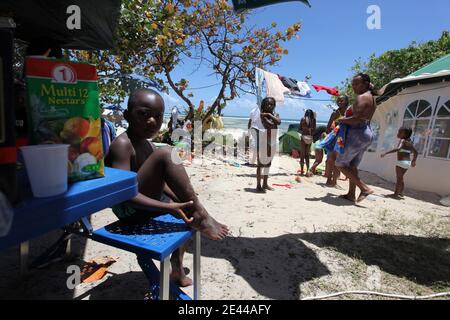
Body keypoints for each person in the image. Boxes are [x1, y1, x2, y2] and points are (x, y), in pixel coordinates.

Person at [105, 88, 229, 287]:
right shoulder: (122, 144)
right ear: (128, 115)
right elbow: (123, 194)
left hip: (146, 202)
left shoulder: (148, 145)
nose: (152, 121)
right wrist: (168, 207)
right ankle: (201, 215)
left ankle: (177, 268)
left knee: (189, 214)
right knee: (167, 153)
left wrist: (185, 203)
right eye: (144, 114)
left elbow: (160, 184)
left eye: (157, 116)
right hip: (129, 210)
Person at [335, 73, 378, 203]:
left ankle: (364, 188)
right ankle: (351, 194)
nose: (353, 86)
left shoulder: (362, 97)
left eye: (356, 84)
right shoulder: (372, 97)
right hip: (366, 132)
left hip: (357, 133)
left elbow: (357, 119)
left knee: (340, 164)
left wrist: (342, 120)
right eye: (352, 84)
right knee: (352, 166)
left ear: (365, 84)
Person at [252, 97, 281, 193]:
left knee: (268, 164)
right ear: (264, 105)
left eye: (271, 104)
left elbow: (278, 122)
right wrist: (271, 117)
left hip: (272, 143)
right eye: (267, 104)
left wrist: (269, 114)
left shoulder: (271, 114)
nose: (269, 106)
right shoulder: (262, 115)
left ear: (274, 105)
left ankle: (265, 183)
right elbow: (272, 124)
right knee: (260, 165)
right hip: (264, 142)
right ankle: (258, 185)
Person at [381, 127, 418, 199]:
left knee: (399, 179)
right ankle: (401, 192)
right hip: (407, 163)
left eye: (400, 132)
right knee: (401, 178)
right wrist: (414, 161)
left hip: (401, 162)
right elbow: (416, 152)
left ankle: (395, 194)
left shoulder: (402, 140)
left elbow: (398, 149)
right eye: (398, 131)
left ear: (405, 134)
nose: (398, 133)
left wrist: (386, 153)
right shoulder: (410, 142)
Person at [324, 95, 350, 187]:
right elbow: (327, 128)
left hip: (344, 139)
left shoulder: (349, 113)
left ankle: (333, 181)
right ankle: (329, 180)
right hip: (336, 138)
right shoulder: (335, 113)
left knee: (337, 161)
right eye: (338, 101)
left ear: (346, 101)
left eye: (341, 101)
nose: (339, 102)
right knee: (332, 160)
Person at [298, 109, 316, 177]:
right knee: (307, 155)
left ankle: (302, 171)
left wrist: (303, 129)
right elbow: (314, 130)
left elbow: (299, 129)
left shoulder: (303, 119)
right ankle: (308, 170)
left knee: (302, 155)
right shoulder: (313, 120)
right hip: (310, 137)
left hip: (304, 137)